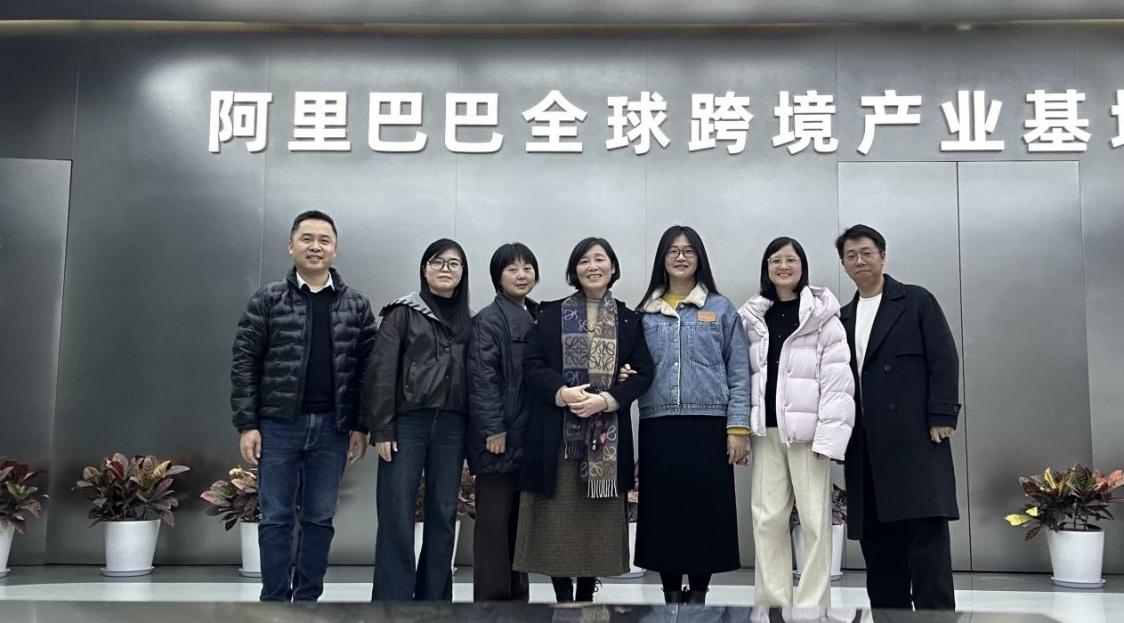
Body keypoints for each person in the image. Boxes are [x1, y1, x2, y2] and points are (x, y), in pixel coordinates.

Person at [230, 210, 375, 602]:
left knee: (319, 518)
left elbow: (368, 372)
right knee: (276, 517)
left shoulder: (356, 305)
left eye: (324, 240)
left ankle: (308, 601)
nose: (315, 246)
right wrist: (248, 424)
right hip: (279, 425)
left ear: (335, 249)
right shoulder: (268, 299)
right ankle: (275, 601)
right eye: (307, 238)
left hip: (333, 428)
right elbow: (244, 362)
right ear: (291, 245)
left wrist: (361, 425)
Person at [514, 237, 654, 604]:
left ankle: (587, 595)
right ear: (574, 270)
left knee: (595, 523)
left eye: (600, 259)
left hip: (605, 442)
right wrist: (563, 393)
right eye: (584, 261)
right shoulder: (550, 314)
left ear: (612, 267)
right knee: (556, 521)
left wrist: (606, 400)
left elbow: (643, 373)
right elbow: (532, 364)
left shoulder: (628, 319)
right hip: (558, 435)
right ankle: (564, 597)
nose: (592, 266)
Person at [835, 224, 961, 611]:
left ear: (883, 256)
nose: (859, 260)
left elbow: (944, 357)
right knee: (879, 550)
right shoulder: (842, 317)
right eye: (851, 255)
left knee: (926, 544)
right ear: (844, 264)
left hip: (916, 439)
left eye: (866, 252)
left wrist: (942, 414)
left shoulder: (916, 301)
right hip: (866, 447)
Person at [631, 225, 749, 605]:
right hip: (659, 426)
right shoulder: (644, 313)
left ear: (699, 258)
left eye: (688, 251)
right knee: (664, 512)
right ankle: (669, 593)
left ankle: (698, 594)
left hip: (709, 426)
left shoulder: (720, 308)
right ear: (662, 259)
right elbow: (632, 367)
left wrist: (737, 427)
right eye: (673, 251)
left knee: (705, 512)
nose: (680, 257)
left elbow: (738, 371)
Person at [738, 236, 854, 608]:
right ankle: (773, 603)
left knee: (815, 522)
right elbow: (741, 375)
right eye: (776, 260)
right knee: (767, 519)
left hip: (808, 437)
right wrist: (741, 428)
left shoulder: (822, 317)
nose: (783, 266)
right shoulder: (752, 317)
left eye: (791, 259)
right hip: (766, 433)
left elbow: (838, 382)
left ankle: (811, 606)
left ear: (802, 266)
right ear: (766, 268)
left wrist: (830, 439)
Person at [365, 238, 472, 601]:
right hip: (406, 424)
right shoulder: (402, 312)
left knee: (443, 514)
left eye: (454, 263)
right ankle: (391, 603)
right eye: (437, 261)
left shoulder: (470, 321)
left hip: (452, 426)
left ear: (463, 273)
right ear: (424, 269)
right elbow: (380, 371)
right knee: (396, 513)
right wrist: (382, 428)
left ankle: (435, 603)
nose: (445, 269)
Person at [466, 243, 542, 602]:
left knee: (518, 523)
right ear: (498, 277)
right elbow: (482, 379)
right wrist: (493, 429)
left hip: (527, 435)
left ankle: (516, 600)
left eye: (527, 268)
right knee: (494, 525)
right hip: (499, 438)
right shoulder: (488, 320)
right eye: (512, 269)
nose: (521, 275)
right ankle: (491, 605)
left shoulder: (537, 315)